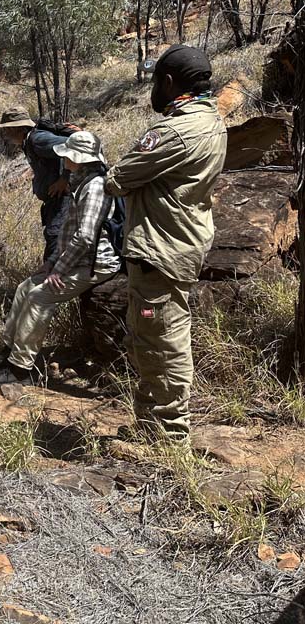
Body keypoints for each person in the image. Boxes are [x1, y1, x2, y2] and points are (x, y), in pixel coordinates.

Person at [105, 44, 227, 442]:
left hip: (162, 251)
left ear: (169, 82)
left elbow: (117, 179)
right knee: (154, 337)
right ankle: (150, 427)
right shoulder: (211, 120)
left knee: (162, 343)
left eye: (156, 81)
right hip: (182, 243)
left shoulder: (172, 131)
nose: (154, 90)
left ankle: (170, 439)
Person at [0, 131, 122, 387]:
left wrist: (59, 269)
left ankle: (21, 368)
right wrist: (52, 262)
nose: (65, 160)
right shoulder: (82, 181)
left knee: (39, 296)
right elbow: (70, 232)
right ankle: (9, 353)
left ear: (79, 159)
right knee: (26, 288)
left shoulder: (95, 188)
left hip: (96, 263)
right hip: (77, 259)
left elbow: (85, 237)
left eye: (69, 156)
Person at [0, 109, 72, 261]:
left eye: (7, 129)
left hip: (64, 198)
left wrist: (65, 178)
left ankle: (52, 277)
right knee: (55, 237)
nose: (6, 133)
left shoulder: (38, 140)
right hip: (54, 200)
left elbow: (72, 147)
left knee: (55, 237)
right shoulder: (29, 141)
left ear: (18, 128)